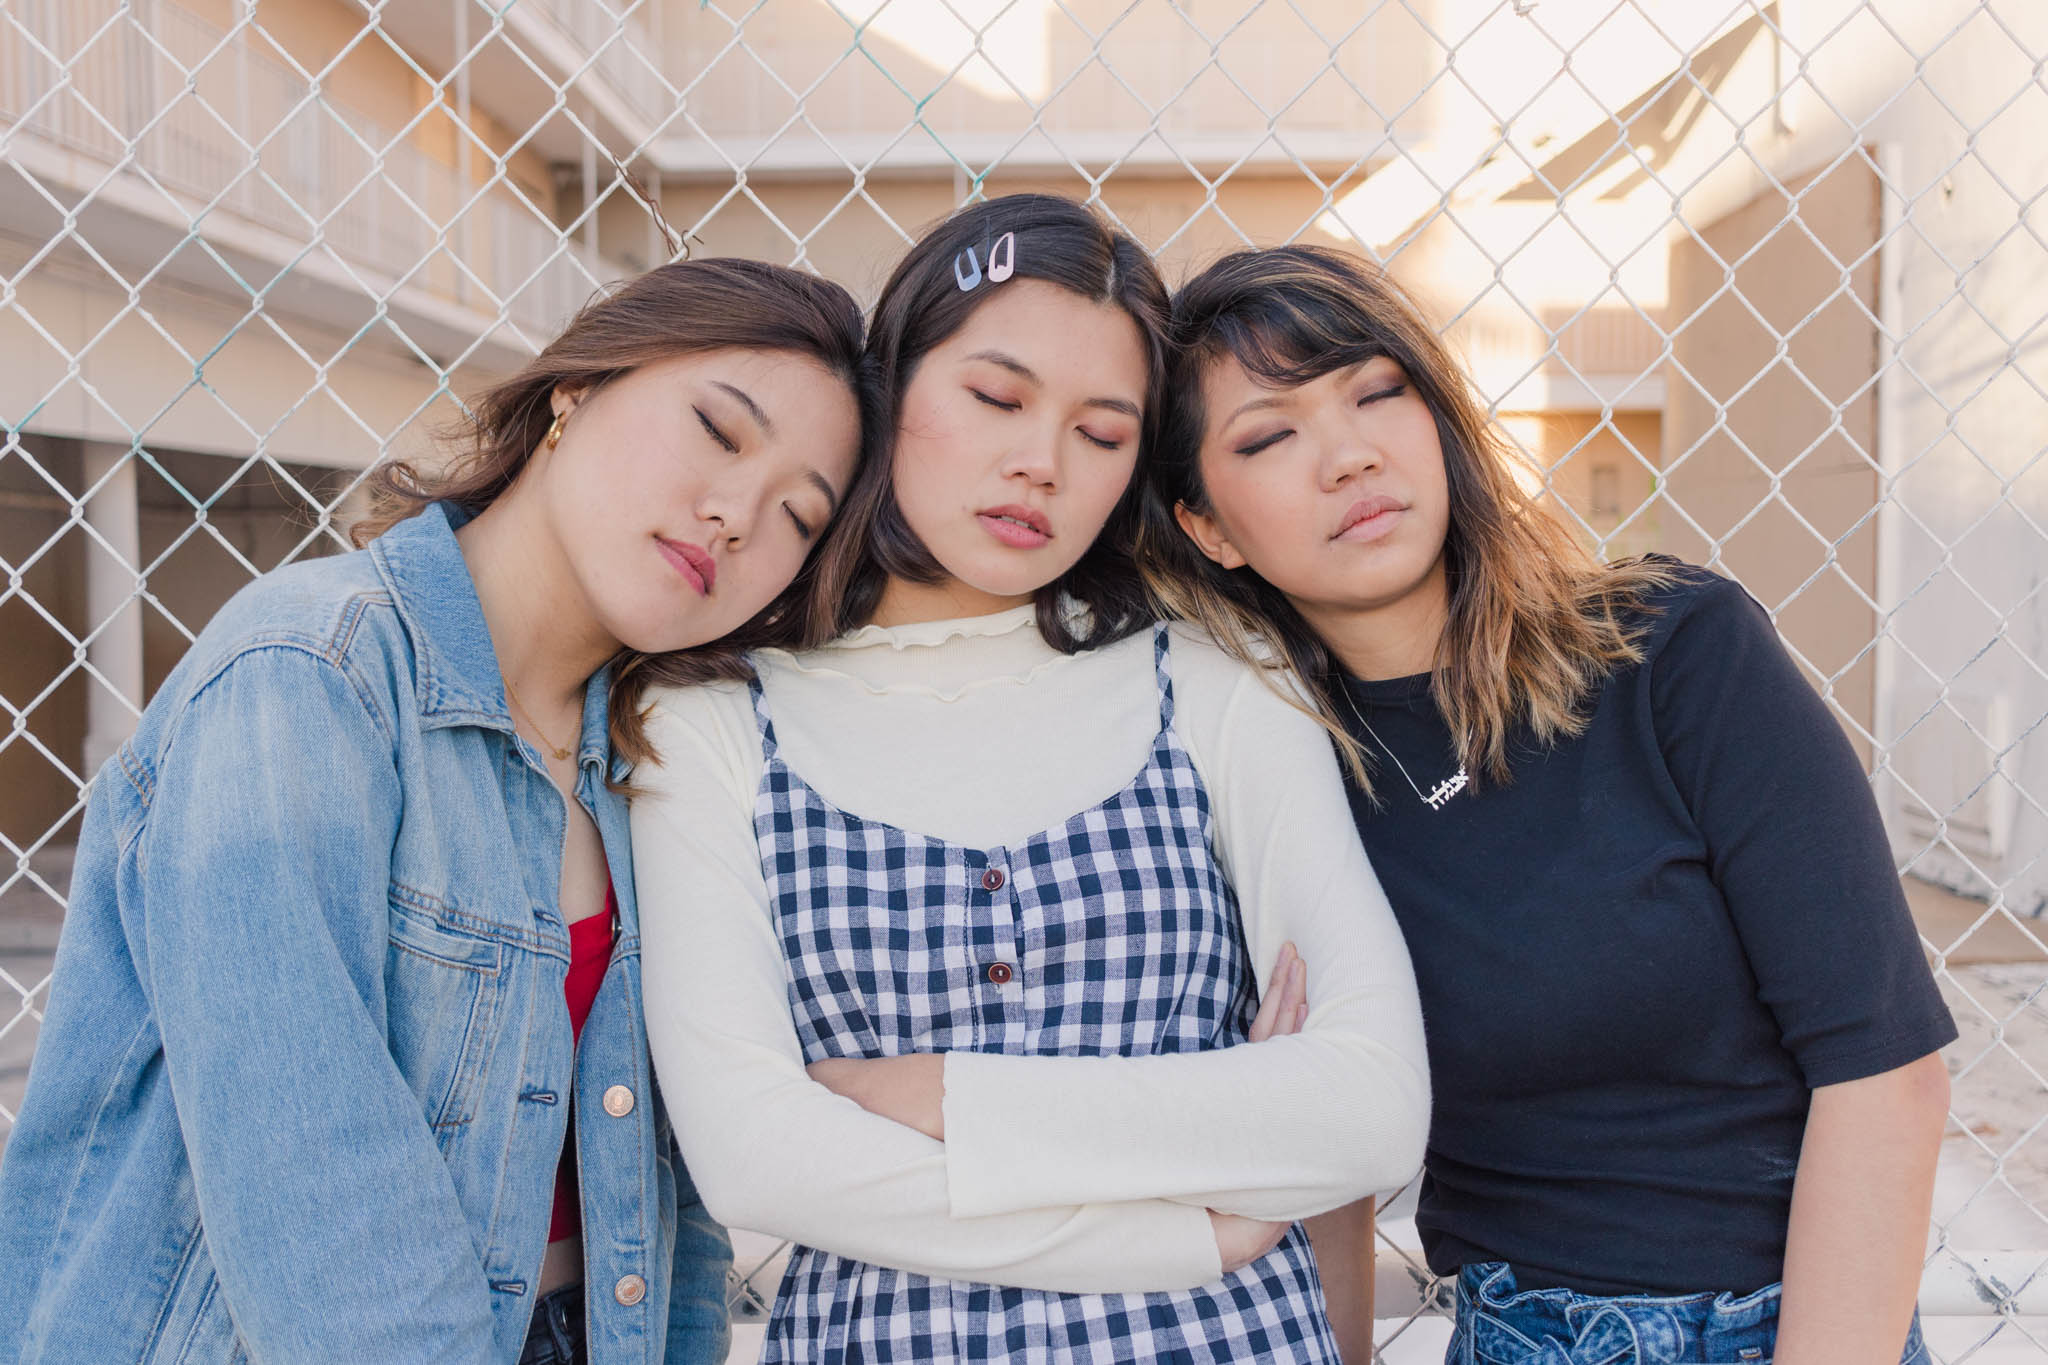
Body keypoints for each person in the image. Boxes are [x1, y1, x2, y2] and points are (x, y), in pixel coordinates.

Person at [0, 258, 873, 1365]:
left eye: (798, 515)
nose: (737, 516)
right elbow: (318, 1201)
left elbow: (674, 1202)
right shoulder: (309, 675)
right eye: (716, 430)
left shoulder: (660, 754)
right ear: (576, 392)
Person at [629, 195, 1431, 1364]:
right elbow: (754, 1157)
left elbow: (1370, 1108)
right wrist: (1190, 1225)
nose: (1039, 465)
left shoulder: (1214, 676)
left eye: (1101, 435)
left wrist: (942, 1098)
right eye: (996, 400)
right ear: (891, 385)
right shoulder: (711, 714)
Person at [1145, 242, 1957, 1364]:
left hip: (1793, 1328)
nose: (1348, 455)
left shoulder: (1671, 653)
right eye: (1268, 436)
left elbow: (1885, 1076)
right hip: (1523, 1334)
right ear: (1207, 527)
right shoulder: (1268, 768)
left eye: (1377, 392)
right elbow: (1323, 1142)